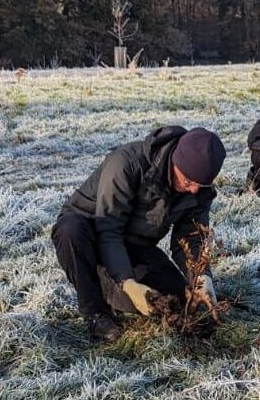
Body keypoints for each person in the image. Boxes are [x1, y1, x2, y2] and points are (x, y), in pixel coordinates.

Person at [52, 126, 225, 343]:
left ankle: (110, 280)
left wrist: (202, 277)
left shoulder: (199, 190)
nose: (193, 190)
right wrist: (128, 283)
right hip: (92, 232)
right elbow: (109, 229)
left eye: (200, 185)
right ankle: (95, 312)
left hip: (133, 244)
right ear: (174, 161)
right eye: (188, 181)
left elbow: (190, 238)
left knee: (174, 296)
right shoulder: (127, 164)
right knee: (71, 231)